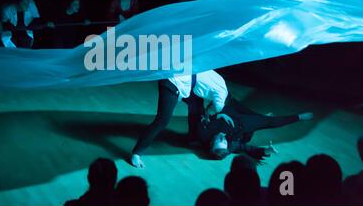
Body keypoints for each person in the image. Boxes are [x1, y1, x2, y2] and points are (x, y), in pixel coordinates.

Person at [130, 69, 313, 168]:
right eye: (223, 140)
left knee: (196, 108)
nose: (221, 138)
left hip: (181, 82)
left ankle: (137, 152)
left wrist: (264, 152)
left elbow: (243, 147)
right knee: (163, 121)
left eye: (217, 140)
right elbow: (266, 125)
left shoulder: (205, 135)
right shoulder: (233, 121)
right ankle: (136, 153)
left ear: (210, 143)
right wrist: (298, 117)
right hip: (176, 79)